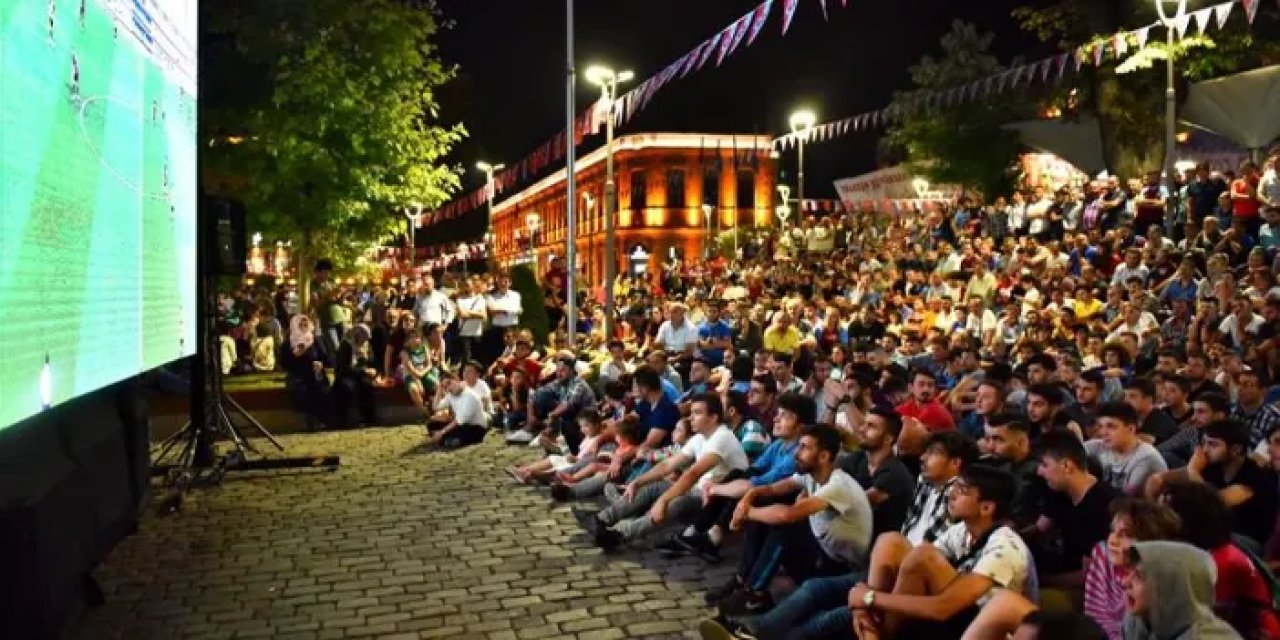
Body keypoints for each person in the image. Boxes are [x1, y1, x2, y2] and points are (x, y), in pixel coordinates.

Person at [848, 464, 1032, 640]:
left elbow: (943, 608)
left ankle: (875, 632)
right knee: (890, 541)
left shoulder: (1005, 546)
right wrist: (861, 606)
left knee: (923, 556)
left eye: (962, 491)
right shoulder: (962, 530)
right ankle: (870, 632)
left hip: (981, 629)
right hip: (951, 621)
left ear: (986, 508)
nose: (951, 495)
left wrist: (868, 598)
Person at [721, 424, 874, 615]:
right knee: (767, 505)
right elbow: (772, 488)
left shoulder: (838, 485)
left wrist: (746, 513)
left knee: (787, 527)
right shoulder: (811, 476)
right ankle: (746, 582)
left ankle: (755, 594)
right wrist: (748, 497)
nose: (796, 453)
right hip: (823, 552)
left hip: (843, 568)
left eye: (804, 448)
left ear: (824, 456)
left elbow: (787, 515)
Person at [583, 393, 749, 549]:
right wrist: (637, 482)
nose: (691, 417)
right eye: (691, 412)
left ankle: (618, 536)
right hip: (700, 491)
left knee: (675, 502)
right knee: (652, 487)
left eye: (697, 413)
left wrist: (663, 500)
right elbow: (668, 465)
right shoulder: (700, 438)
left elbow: (693, 474)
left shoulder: (722, 437)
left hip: (716, 499)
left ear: (713, 418)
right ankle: (601, 520)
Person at [1158, 479, 1280, 637]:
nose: (1157, 519)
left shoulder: (1221, 563)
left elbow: (1204, 621)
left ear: (1186, 518)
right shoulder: (1211, 549)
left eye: (1164, 513)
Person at [1147, 420, 1279, 551]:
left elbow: (1214, 504)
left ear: (1236, 449)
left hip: (1243, 539)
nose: (1205, 450)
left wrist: (1193, 471)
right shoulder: (1213, 466)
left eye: (1213, 444)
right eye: (1204, 443)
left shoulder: (1256, 476)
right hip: (1214, 531)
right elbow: (1158, 479)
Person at [1029, 430, 1119, 585]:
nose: (1039, 471)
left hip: (1091, 589)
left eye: (1045, 465)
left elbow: (1086, 576)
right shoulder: (1059, 491)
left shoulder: (1102, 506)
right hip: (1062, 565)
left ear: (1066, 466)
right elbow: (1040, 529)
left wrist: (1041, 582)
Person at [1120, 541, 1243, 640]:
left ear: (1170, 586)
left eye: (1139, 577)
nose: (1124, 583)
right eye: (1129, 573)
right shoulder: (1140, 623)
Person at [839, 406, 916, 538]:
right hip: (854, 535)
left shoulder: (895, 473)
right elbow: (826, 471)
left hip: (880, 546)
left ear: (888, 439)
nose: (862, 430)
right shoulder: (859, 458)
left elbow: (856, 503)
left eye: (871, 426)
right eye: (864, 424)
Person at [1084, 401, 1167, 495]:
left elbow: (1125, 498)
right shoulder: (1100, 445)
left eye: (1111, 426)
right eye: (1100, 426)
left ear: (1131, 429)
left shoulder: (1146, 458)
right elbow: (1069, 451)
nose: (1103, 433)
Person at [281, 314, 331, 431]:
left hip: (315, 374)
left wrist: (321, 364)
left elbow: (327, 359)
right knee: (301, 390)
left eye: (306, 324)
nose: (304, 326)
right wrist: (295, 355)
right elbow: (284, 363)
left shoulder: (315, 340)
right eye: (301, 324)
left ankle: (321, 420)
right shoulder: (289, 343)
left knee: (320, 389)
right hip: (298, 375)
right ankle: (310, 421)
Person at [333, 324, 378, 428]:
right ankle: (352, 419)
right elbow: (344, 367)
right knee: (349, 387)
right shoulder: (346, 345)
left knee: (367, 385)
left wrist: (373, 370)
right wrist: (363, 371)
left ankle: (369, 418)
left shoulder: (366, 346)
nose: (365, 340)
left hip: (359, 374)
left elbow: (371, 362)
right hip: (346, 375)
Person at [427, 371, 486, 449]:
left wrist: (441, 432)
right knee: (432, 424)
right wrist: (439, 389)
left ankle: (446, 439)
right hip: (460, 425)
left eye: (449, 383)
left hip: (475, 428)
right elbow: (435, 407)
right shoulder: (450, 395)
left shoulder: (470, 396)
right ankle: (445, 439)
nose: (448, 388)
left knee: (451, 441)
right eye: (445, 387)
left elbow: (459, 421)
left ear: (457, 379)